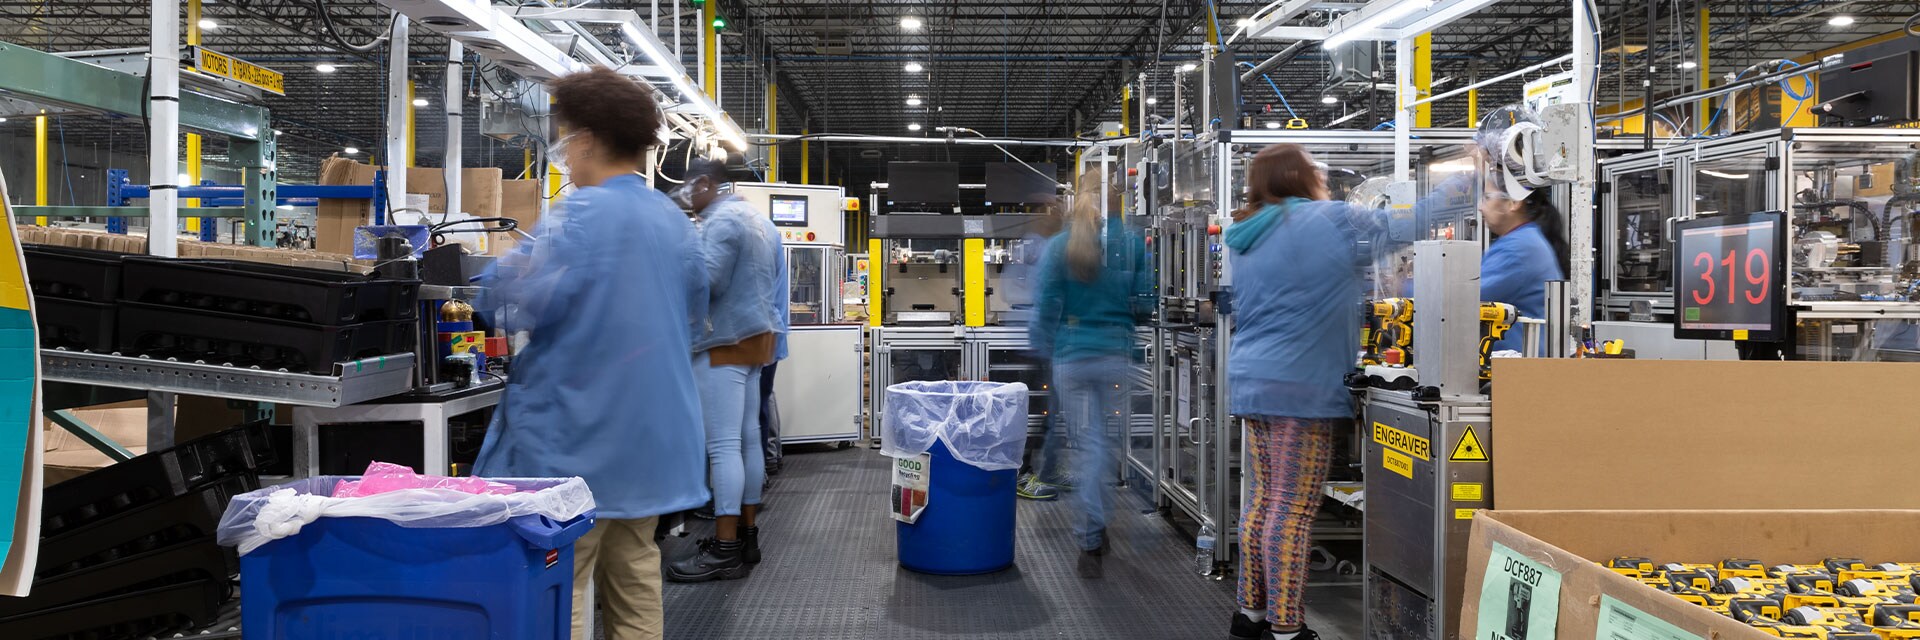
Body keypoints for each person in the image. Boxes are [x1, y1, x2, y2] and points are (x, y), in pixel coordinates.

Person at [470, 67, 708, 640]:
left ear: (588, 141)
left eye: (565, 139)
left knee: (564, 582)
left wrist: (495, 271)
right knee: (634, 575)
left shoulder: (579, 216)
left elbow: (508, 302)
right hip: (649, 444)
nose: (564, 155)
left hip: (575, 442)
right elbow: (695, 320)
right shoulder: (675, 222)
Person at [1224, 144, 1464, 640]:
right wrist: (1468, 182)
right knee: (1292, 508)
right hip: (1301, 384)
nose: (1323, 176)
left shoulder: (1248, 232)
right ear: (1296, 176)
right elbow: (1403, 226)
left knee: (1263, 503)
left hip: (1254, 380)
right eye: (1315, 168)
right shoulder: (1328, 220)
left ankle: (1249, 617)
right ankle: (1286, 631)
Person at [1029, 172, 1152, 578]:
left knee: (1087, 446)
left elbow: (1046, 304)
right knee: (1104, 446)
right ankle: (1093, 526)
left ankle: (1090, 533)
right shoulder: (1131, 244)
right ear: (1119, 203)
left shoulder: (1061, 245)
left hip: (1072, 357)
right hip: (1115, 354)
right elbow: (1145, 302)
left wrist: (1048, 347)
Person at [666, 158, 782, 582]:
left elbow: (707, 282)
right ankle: (747, 537)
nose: (687, 201)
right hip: (756, 340)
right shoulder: (754, 217)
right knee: (748, 441)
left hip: (724, 341)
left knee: (722, 447)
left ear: (702, 184)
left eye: (687, 191)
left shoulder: (720, 221)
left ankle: (725, 548)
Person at [1009, 203, 1068, 501]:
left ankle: (1050, 469)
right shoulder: (1034, 247)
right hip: (1033, 343)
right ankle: (1022, 474)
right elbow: (1024, 291)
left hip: (1047, 341)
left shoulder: (1050, 246)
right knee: (1036, 412)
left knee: (1051, 412)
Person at [1478, 187, 1571, 352]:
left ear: (1513, 203)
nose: (1480, 206)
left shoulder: (1518, 248)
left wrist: (1419, 284)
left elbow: (1463, 299)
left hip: (1517, 366)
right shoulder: (1521, 240)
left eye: (1487, 197)